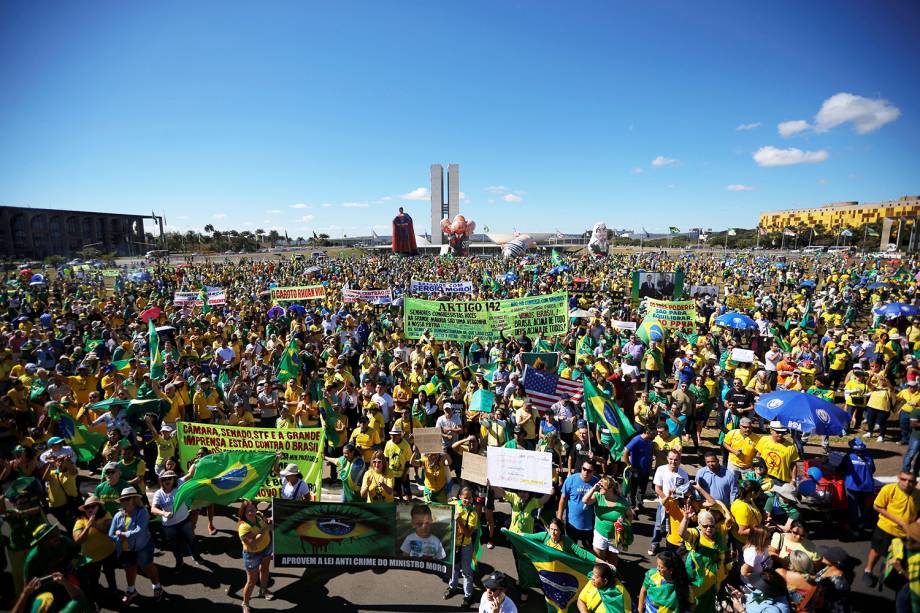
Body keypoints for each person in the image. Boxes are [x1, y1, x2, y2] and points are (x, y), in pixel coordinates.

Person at [863, 470, 920, 588]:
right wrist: (897, 520)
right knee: (876, 551)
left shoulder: (918, 494)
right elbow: (877, 506)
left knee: (899, 555)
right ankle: (868, 571)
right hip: (885, 528)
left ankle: (889, 571)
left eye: (910, 481)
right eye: (904, 479)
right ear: (899, 478)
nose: (906, 483)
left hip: (905, 533)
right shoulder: (889, 489)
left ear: (915, 483)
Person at [108, 486, 164, 603]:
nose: (124, 501)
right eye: (123, 500)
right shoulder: (118, 515)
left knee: (147, 566)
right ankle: (131, 590)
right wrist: (118, 537)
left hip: (142, 547)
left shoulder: (142, 512)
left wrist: (122, 534)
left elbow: (139, 531)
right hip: (125, 549)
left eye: (127, 499)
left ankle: (157, 586)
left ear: (134, 499)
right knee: (129, 568)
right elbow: (110, 533)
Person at [151, 470, 203, 569]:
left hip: (184, 521)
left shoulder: (179, 484)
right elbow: (153, 509)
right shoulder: (158, 493)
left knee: (191, 540)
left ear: (174, 479)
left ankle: (196, 556)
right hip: (169, 526)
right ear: (160, 481)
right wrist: (164, 513)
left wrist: (197, 461)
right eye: (164, 479)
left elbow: (190, 474)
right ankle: (179, 562)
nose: (167, 480)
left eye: (169, 478)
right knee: (175, 546)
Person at [72, 494, 117, 604]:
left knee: (110, 573)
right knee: (93, 579)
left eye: (93, 506)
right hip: (91, 558)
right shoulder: (80, 521)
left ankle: (114, 592)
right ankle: (94, 599)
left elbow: (108, 530)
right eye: (87, 508)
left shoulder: (106, 515)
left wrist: (95, 525)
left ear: (99, 507)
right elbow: (78, 540)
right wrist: (88, 526)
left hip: (108, 553)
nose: (90, 509)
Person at [582, 474, 633, 564]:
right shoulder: (598, 496)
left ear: (610, 488)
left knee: (612, 559)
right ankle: (600, 575)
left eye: (602, 486)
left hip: (615, 536)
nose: (599, 487)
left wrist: (625, 524)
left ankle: (611, 576)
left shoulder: (622, 502)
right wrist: (594, 488)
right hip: (600, 534)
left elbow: (630, 515)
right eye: (599, 485)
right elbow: (585, 500)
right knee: (599, 558)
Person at [445, 486, 480, 608]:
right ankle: (452, 587)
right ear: (460, 497)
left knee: (466, 572)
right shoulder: (454, 504)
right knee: (454, 568)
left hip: (465, 545)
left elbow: (468, 534)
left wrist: (459, 520)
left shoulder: (473, 514)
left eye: (469, 498)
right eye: (465, 498)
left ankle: (468, 595)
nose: (467, 500)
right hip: (453, 544)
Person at [238, 499, 273, 613]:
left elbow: (265, 521)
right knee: (252, 581)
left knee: (265, 570)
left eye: (253, 508)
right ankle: (245, 603)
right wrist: (266, 529)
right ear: (243, 513)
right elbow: (253, 543)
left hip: (266, 547)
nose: (252, 511)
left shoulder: (259, 515)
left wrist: (268, 521)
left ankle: (263, 590)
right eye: (249, 510)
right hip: (252, 554)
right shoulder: (243, 527)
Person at [558, 459, 600, 548]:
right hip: (572, 523)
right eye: (584, 469)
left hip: (589, 525)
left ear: (594, 472)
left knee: (589, 550)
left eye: (589, 471)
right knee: (571, 549)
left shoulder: (597, 482)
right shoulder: (571, 480)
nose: (585, 472)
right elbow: (563, 499)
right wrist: (559, 517)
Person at [621, 425, 654, 513]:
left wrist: (650, 466)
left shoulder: (650, 441)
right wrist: (629, 466)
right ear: (647, 432)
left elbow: (649, 454)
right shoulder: (636, 439)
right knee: (633, 488)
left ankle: (639, 504)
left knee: (642, 488)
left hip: (645, 470)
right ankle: (631, 506)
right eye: (653, 432)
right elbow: (625, 452)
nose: (655, 434)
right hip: (636, 470)